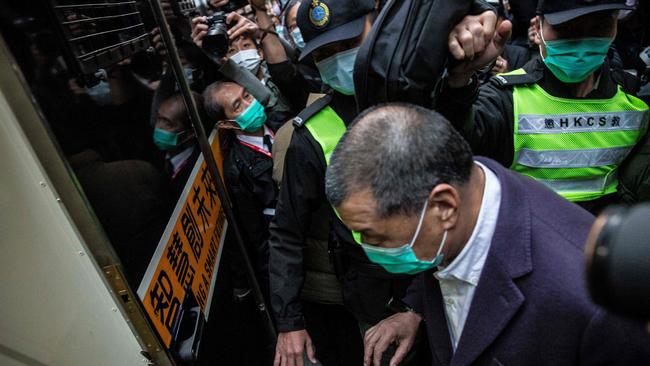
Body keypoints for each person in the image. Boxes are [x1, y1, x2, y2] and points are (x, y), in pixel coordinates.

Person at [325, 103, 650, 366]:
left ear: (444, 206)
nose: (368, 248)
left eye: (376, 237)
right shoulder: (463, 196)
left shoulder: (590, 305)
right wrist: (415, 312)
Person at [269, 1, 496, 365]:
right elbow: (287, 230)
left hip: (453, 273)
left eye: (347, 44)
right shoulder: (310, 135)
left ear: (377, 26)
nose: (339, 58)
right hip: (374, 295)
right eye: (325, 53)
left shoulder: (429, 92)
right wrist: (288, 320)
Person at [437, 0, 650, 214]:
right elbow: (450, 148)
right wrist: (459, 78)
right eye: (567, 29)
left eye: (598, 27)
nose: (582, 42)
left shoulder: (633, 98)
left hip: (604, 239)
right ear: (537, 29)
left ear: (615, 29)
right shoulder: (508, 97)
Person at [202, 80, 280, 298]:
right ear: (226, 124)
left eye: (247, 96)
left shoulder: (282, 123)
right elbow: (255, 233)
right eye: (238, 106)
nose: (249, 104)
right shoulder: (237, 168)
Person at [153, 93, 203, 200]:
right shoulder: (156, 153)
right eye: (159, 118)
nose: (158, 127)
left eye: (168, 124)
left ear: (190, 133)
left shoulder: (196, 170)